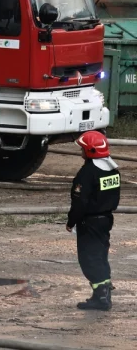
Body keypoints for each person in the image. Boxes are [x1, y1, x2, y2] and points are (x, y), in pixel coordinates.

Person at [67, 130, 120, 311]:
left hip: (89, 223)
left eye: (82, 148)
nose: (80, 151)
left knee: (89, 259)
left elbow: (80, 202)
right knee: (100, 256)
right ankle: (103, 293)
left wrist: (71, 221)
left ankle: (101, 297)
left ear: (90, 151)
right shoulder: (113, 170)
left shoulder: (87, 173)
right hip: (105, 220)